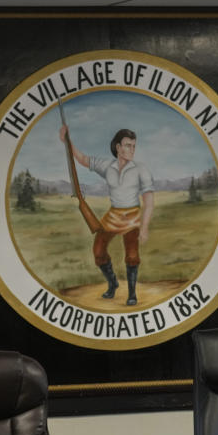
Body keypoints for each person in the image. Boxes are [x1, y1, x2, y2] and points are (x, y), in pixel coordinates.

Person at [60, 125, 155, 305]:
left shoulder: (141, 169)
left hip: (133, 217)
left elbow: (149, 201)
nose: (132, 149)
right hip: (113, 216)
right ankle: (113, 284)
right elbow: (81, 159)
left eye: (134, 146)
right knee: (98, 251)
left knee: (132, 255)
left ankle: (132, 294)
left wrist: (144, 227)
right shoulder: (106, 166)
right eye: (128, 145)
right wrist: (67, 141)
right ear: (118, 147)